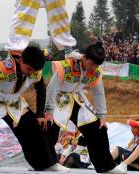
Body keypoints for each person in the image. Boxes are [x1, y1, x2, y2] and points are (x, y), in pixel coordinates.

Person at [0, 46, 64, 171]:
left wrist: (40, 114)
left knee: (35, 125)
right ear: (21, 60)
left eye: (34, 70)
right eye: (28, 69)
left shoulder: (35, 70)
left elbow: (41, 90)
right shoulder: (5, 67)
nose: (30, 73)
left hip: (14, 101)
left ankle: (47, 163)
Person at [45, 42, 123, 173]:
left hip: (77, 98)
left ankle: (106, 166)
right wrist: (48, 111)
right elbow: (52, 89)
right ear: (84, 57)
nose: (93, 68)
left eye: (97, 65)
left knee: (98, 128)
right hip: (58, 98)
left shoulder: (95, 72)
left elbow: (98, 93)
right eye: (92, 64)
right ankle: (46, 163)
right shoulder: (66, 66)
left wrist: (102, 117)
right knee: (49, 127)